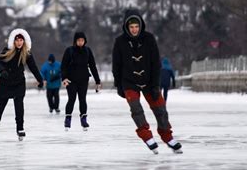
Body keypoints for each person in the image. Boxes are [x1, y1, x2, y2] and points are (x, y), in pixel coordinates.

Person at [112, 9, 182, 154]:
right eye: (131, 27)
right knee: (136, 109)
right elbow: (116, 65)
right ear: (126, 27)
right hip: (129, 81)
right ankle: (146, 136)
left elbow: (156, 63)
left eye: (136, 26)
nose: (134, 30)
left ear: (141, 26)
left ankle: (167, 136)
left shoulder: (149, 38)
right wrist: (119, 85)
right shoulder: (120, 42)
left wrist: (156, 85)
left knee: (160, 109)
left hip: (149, 81)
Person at [0, 28, 43, 141]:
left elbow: (33, 68)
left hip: (19, 83)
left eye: (21, 40)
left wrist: (40, 80)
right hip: (5, 83)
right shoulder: (7, 50)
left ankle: (20, 128)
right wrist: (3, 71)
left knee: (19, 108)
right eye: (17, 40)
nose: (19, 42)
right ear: (13, 41)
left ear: (24, 41)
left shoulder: (27, 53)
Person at [61, 32, 101, 131]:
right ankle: (68, 118)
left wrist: (97, 81)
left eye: (82, 40)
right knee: (72, 99)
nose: (80, 42)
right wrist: (64, 78)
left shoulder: (88, 51)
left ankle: (83, 119)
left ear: (85, 41)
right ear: (75, 41)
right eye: (78, 40)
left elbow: (92, 66)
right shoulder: (69, 51)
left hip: (83, 79)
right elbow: (63, 66)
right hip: (71, 80)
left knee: (82, 99)